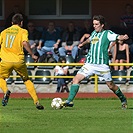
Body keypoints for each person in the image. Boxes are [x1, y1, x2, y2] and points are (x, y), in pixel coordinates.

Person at [61, 15, 128, 109]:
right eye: (93, 24)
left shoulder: (107, 33)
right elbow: (89, 39)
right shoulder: (93, 33)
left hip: (102, 65)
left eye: (96, 24)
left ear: (102, 25)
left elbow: (117, 37)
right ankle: (70, 101)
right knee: (76, 79)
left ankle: (123, 99)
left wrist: (123, 37)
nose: (94, 26)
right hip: (90, 64)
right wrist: (82, 44)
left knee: (111, 85)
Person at [0, 13, 44, 110]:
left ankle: (6, 90)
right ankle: (36, 101)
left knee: (1, 78)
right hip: (18, 60)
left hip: (6, 60)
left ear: (12, 22)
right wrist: (32, 54)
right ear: (21, 23)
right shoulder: (23, 31)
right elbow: (24, 43)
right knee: (26, 80)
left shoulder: (3, 32)